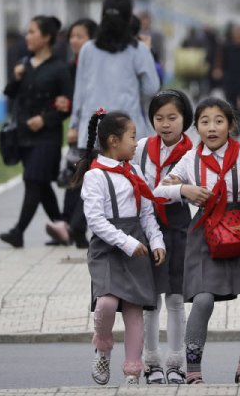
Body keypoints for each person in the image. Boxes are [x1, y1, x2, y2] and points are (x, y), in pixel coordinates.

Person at [153, 97, 240, 384]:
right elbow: (159, 190)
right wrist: (185, 190)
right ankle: (193, 374)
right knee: (202, 301)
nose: (212, 128)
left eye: (219, 121)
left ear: (230, 125)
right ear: (197, 127)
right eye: (204, 122)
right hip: (205, 233)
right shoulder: (191, 159)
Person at [72, 110, 166, 386]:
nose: (136, 143)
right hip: (109, 247)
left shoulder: (134, 170)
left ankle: (132, 372)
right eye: (132, 137)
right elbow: (96, 221)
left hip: (137, 243)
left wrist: (156, 241)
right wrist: (126, 242)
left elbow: (147, 212)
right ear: (114, 141)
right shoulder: (95, 176)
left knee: (135, 309)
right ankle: (103, 345)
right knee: (107, 303)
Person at [131, 90, 193, 385]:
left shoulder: (194, 154)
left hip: (180, 228)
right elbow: (134, 184)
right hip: (147, 224)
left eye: (172, 117)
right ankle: (151, 362)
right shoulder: (141, 148)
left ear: (185, 120)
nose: (165, 124)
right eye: (159, 118)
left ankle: (176, 362)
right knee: (150, 300)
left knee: (177, 299)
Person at [0, 16, 73, 248]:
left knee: (32, 180)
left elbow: (67, 105)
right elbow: (10, 93)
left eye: (32, 32)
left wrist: (45, 119)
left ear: (46, 37)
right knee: (40, 184)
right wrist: (16, 76)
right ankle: (63, 227)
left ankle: (18, 232)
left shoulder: (60, 69)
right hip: (24, 135)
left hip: (47, 136)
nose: (27, 37)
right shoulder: (25, 64)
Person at [69, 0, 160, 152]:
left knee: (96, 175)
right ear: (128, 19)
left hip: (94, 131)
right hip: (129, 133)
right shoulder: (138, 50)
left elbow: (80, 93)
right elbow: (151, 88)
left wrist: (74, 125)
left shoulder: (88, 49)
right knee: (128, 176)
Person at [45, 18, 98, 248]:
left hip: (93, 128)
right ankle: (70, 226)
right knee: (75, 177)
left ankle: (74, 225)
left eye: (81, 36)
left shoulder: (98, 66)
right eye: (73, 36)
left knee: (89, 178)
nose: (75, 40)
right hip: (77, 129)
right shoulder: (69, 67)